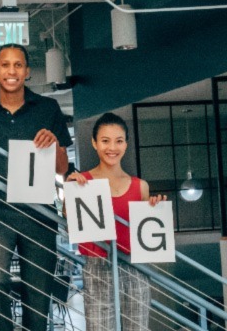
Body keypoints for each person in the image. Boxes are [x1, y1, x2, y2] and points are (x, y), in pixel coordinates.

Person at [0, 44, 72, 331]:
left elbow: (62, 168)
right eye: (5, 65)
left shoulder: (48, 108)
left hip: (39, 213)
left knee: (38, 296)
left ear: (27, 72)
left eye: (18, 65)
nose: (11, 71)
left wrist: (54, 144)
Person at [66, 112, 167, 331]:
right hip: (97, 264)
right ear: (94, 143)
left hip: (134, 265)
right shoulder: (83, 181)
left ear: (126, 144)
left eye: (119, 141)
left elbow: (147, 234)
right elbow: (69, 220)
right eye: (105, 141)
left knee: (137, 328)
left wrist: (155, 207)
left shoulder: (140, 186)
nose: (112, 147)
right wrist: (70, 189)